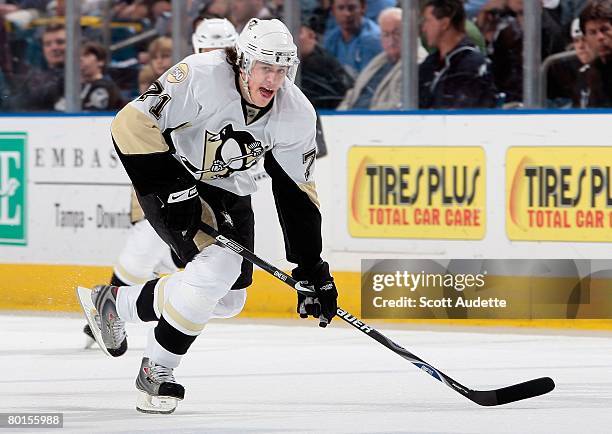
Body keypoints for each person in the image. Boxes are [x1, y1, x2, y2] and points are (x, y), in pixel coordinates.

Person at [83, 18, 339, 414]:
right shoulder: (200, 75)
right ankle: (157, 370)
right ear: (244, 63)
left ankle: (117, 302)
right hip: (170, 176)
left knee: (229, 298)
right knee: (218, 266)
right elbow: (130, 123)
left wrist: (311, 267)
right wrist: (173, 190)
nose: (273, 80)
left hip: (231, 190)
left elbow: (296, 193)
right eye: (265, 68)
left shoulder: (296, 113)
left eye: (281, 69)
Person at [82, 17, 238, 347]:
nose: (215, 56)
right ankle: (110, 307)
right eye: (209, 49)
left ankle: (116, 303)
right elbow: (143, 133)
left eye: (223, 50)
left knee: (222, 292)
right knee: (144, 243)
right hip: (171, 183)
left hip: (212, 191)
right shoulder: (188, 79)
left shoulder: (243, 89)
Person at [338, 7, 427, 110]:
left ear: (411, 33)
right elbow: (352, 94)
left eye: (397, 33)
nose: (391, 39)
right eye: (386, 34)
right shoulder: (380, 60)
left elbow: (399, 105)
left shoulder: (418, 63)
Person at [419, 0, 497, 109]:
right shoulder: (430, 63)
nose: (424, 28)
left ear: (445, 24)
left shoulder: (472, 66)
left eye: (428, 21)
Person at [9, 23, 65, 111]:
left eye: (60, 42)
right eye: (47, 44)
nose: (54, 47)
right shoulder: (33, 79)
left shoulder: (81, 78)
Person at [323, 0, 383, 77]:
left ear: (363, 8)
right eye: (341, 8)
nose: (347, 14)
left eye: (352, 8)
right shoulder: (331, 39)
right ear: (333, 11)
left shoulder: (374, 40)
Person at [580, 0, 612, 106]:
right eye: (592, 32)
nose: (600, 37)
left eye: (605, 30)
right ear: (585, 39)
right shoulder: (588, 75)